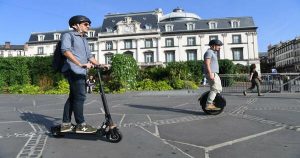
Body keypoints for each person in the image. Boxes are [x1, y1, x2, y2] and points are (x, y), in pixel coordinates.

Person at [60, 15, 102, 133]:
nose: (88, 26)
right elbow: (66, 51)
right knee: (80, 96)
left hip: (81, 71)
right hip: (73, 70)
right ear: (75, 25)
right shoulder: (68, 35)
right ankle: (80, 125)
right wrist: (80, 64)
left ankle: (66, 124)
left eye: (89, 24)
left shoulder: (84, 39)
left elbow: (89, 56)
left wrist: (100, 64)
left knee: (73, 97)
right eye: (85, 24)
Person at [203, 39, 223, 110]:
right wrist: (210, 73)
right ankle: (209, 104)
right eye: (218, 45)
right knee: (215, 88)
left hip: (213, 73)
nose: (219, 47)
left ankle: (210, 101)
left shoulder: (212, 53)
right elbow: (207, 63)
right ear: (214, 45)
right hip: (212, 73)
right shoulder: (209, 52)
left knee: (216, 88)